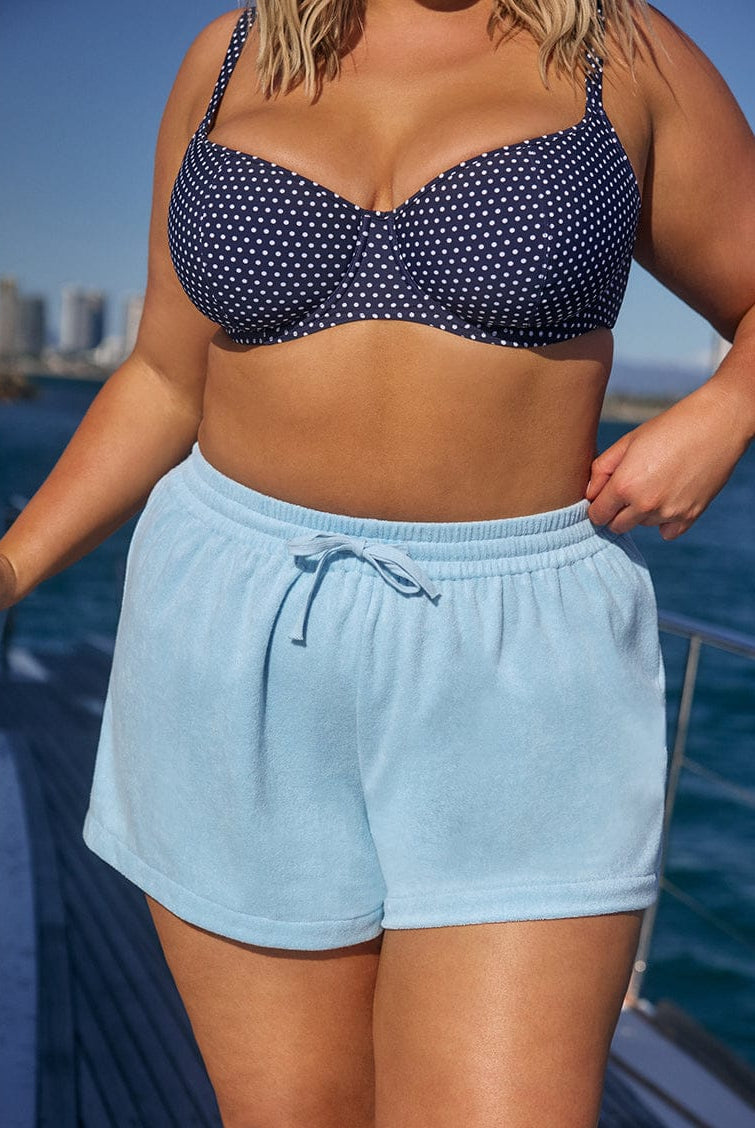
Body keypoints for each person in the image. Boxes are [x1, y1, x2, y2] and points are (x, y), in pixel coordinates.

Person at [2, 0, 754, 1124]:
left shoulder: (616, 51)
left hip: (517, 661)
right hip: (230, 635)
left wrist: (726, 409)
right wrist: (10, 570)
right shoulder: (233, 53)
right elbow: (164, 378)